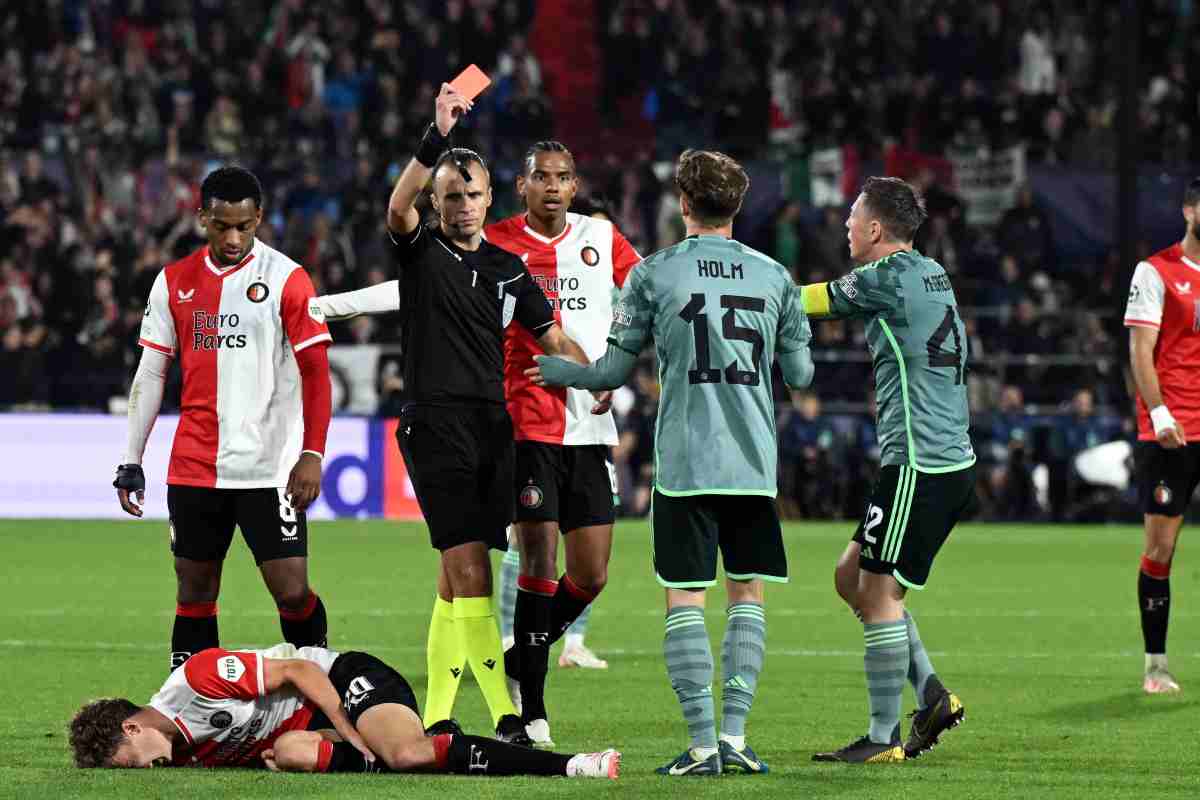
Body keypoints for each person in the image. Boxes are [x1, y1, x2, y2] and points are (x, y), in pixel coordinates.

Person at [313, 83, 590, 743]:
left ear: (489, 199)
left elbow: (554, 341)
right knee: (471, 568)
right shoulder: (420, 252)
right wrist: (436, 132)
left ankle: (437, 711)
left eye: (472, 195)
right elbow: (395, 204)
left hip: (494, 428)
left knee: (456, 573)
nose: (462, 205)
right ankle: (505, 714)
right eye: (450, 196)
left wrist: (597, 377)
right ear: (435, 203)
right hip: (434, 423)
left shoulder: (509, 269)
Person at [528, 149, 815, 776]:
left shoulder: (654, 275)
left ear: (683, 205)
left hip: (685, 464)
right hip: (752, 464)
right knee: (748, 594)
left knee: (686, 598)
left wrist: (561, 371)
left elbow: (609, 372)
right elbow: (799, 374)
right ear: (736, 207)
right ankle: (737, 739)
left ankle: (704, 746)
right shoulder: (774, 277)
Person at [112, 166, 333, 673]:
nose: (233, 238)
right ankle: (187, 704)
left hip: (269, 468)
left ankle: (320, 692)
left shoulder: (287, 279)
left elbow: (316, 375)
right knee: (194, 589)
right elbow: (150, 373)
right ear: (202, 219)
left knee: (292, 591)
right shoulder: (173, 282)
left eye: (243, 226)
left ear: (258, 219)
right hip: (194, 466)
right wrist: (131, 460)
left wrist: (313, 452)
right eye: (221, 226)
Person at [798, 177, 976, 763]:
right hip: (939, 461)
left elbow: (804, 301)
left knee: (877, 594)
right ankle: (930, 695)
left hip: (920, 464)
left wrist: (743, 286)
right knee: (853, 578)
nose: (845, 226)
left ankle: (881, 738)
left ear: (875, 228)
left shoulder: (884, 277)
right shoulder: (930, 272)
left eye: (852, 216)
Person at [483, 143, 641, 746]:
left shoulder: (600, 237)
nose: (552, 187)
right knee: (539, 565)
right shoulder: (495, 241)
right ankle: (533, 709)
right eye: (540, 177)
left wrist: (617, 366)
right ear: (522, 186)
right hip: (526, 424)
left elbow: (647, 298)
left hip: (590, 425)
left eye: (563, 178)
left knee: (592, 573)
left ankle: (526, 654)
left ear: (575, 186)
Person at [68, 643, 619, 779]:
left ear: (132, 726)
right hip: (310, 722)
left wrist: (351, 731)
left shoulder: (194, 680)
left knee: (406, 755)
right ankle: (433, 741)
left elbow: (299, 673)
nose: (145, 772)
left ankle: (572, 765)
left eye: (131, 759)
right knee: (289, 752)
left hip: (342, 678)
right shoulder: (184, 757)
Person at [1122, 176, 1200, 695]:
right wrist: (1160, 412)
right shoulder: (1157, 271)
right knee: (1161, 547)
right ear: (1191, 210)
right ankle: (1155, 665)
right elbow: (1141, 351)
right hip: (1172, 432)